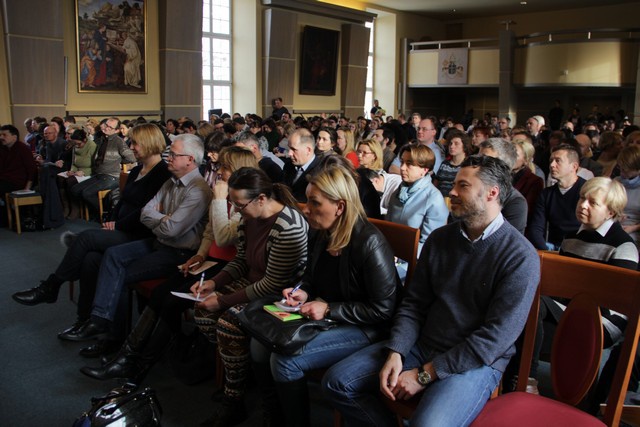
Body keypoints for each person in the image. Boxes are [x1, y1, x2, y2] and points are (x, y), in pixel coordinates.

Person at [323, 155, 540, 426]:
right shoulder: (441, 239)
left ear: (491, 193)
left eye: (463, 186)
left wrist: (425, 375)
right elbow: (414, 304)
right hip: (423, 343)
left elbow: (494, 339)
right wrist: (397, 351)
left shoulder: (519, 256)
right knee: (336, 382)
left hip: (476, 362)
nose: (451, 191)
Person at [79, 146, 257, 368]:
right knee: (160, 291)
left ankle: (139, 360)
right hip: (207, 261)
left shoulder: (245, 202)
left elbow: (223, 238)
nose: (219, 172)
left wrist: (219, 199)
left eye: (224, 167)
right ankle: (131, 353)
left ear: (240, 171)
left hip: (228, 266)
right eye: (219, 166)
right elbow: (210, 232)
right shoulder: (216, 192)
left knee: (169, 299)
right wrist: (200, 255)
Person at [252, 165, 401, 427]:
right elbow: (311, 276)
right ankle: (275, 416)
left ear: (340, 207)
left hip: (368, 328)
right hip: (331, 317)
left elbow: (383, 310)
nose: (305, 208)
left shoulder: (369, 243)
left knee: (284, 361)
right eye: (307, 200)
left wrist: (329, 308)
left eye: (314, 202)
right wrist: (302, 292)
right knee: (260, 343)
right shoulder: (321, 231)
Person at [12, 124, 171, 338]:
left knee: (86, 238)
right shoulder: (136, 170)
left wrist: (117, 225)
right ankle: (84, 320)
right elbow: (123, 203)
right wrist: (110, 221)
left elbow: (147, 210)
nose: (131, 147)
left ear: (151, 143)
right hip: (123, 228)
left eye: (135, 142)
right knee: (90, 260)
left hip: (141, 233)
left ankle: (51, 287)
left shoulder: (162, 173)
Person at [59, 133, 211, 343]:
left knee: (115, 270)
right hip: (158, 243)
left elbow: (171, 230)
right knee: (106, 256)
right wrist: (162, 218)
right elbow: (145, 213)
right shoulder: (171, 181)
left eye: (174, 155)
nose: (168, 158)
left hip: (178, 253)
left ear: (190, 160)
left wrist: (159, 219)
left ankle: (113, 338)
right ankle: (98, 322)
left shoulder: (199, 190)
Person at [191, 167, 308, 426]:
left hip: (280, 295)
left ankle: (234, 399)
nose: (237, 210)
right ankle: (242, 372)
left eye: (240, 205)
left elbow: (273, 284)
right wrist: (214, 282)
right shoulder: (249, 216)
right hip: (257, 283)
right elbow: (242, 260)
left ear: (262, 199)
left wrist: (222, 301)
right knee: (201, 311)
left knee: (228, 325)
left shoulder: (287, 225)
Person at [386, 144, 448, 258]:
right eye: (402, 162)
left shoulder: (433, 198)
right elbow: (388, 227)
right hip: (391, 252)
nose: (402, 167)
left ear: (425, 170)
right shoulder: (399, 191)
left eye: (409, 164)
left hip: (413, 260)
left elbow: (429, 244)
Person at [70, 117, 136, 215]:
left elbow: (132, 158)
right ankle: (95, 212)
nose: (106, 128)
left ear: (117, 130)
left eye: (110, 127)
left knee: (87, 193)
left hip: (111, 176)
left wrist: (118, 161)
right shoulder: (100, 139)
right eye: (106, 125)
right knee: (75, 190)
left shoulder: (118, 141)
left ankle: (106, 214)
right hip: (99, 174)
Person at [527, 144, 586, 250]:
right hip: (553, 247)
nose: (552, 165)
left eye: (558, 160)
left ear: (574, 166)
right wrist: (545, 250)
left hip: (580, 247)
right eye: (551, 161)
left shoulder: (586, 190)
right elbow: (536, 228)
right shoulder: (546, 194)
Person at [0, 124, 37, 227]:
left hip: (17, 182)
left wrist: (27, 188)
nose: (1, 137)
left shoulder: (22, 148)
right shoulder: (3, 149)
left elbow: (31, 169)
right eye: (0, 135)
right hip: (5, 179)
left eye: (4, 135)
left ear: (14, 137)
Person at [282, 128, 322, 202]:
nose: (289, 153)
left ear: (308, 150)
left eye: (294, 149)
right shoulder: (288, 166)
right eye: (289, 148)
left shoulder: (321, 172)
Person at [434, 129, 472, 197]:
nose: (451, 146)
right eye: (450, 143)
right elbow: (436, 184)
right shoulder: (445, 164)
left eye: (456, 143)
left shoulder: (468, 165)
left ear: (465, 146)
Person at [617, 145, 640, 249]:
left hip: (634, 231)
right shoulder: (616, 182)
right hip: (614, 225)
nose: (622, 173)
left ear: (638, 169)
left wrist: (633, 228)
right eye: (620, 168)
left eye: (626, 170)